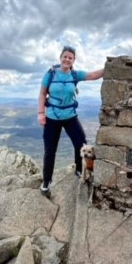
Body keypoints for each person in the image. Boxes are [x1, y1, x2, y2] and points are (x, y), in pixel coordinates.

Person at [37, 45, 104, 197]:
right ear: (60, 58)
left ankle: (79, 170)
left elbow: (93, 75)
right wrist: (41, 113)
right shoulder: (51, 74)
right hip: (52, 118)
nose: (67, 59)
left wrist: (109, 67)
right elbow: (42, 94)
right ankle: (46, 181)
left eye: (70, 57)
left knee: (80, 142)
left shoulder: (75, 75)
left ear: (73, 60)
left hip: (70, 117)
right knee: (50, 150)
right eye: (65, 56)